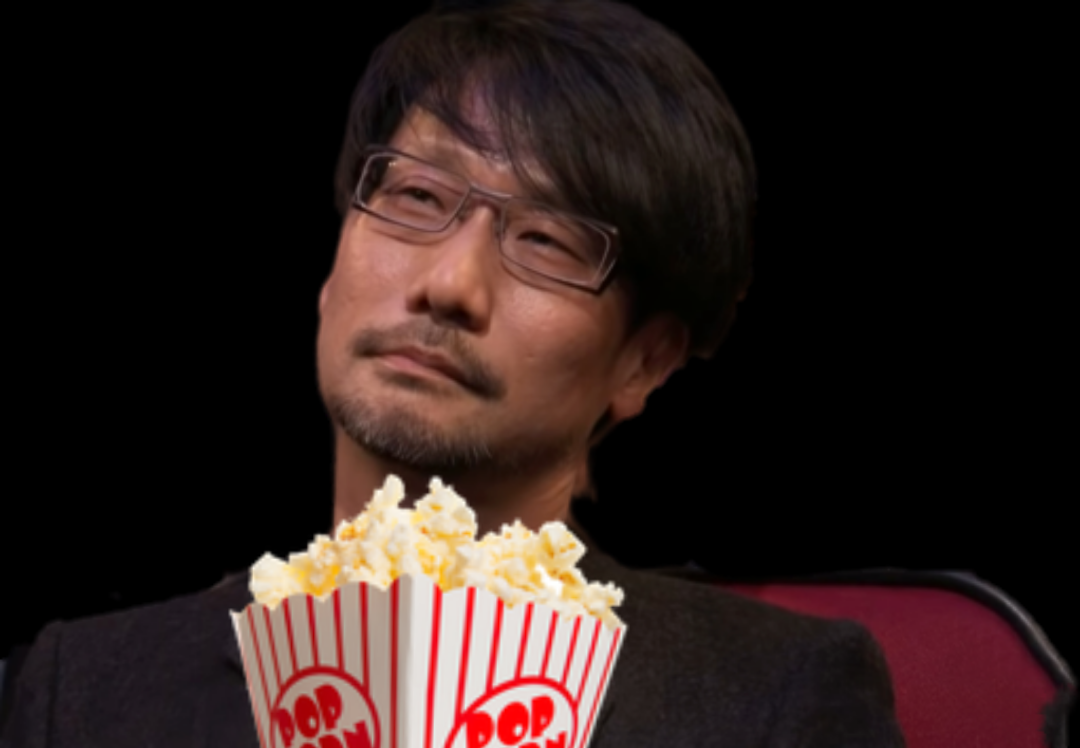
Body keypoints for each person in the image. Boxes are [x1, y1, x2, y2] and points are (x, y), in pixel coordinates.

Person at [1, 0, 906, 745]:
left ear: (643, 360)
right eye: (417, 196)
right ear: (333, 264)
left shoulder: (772, 699)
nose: (450, 285)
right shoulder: (83, 691)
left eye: (546, 241)